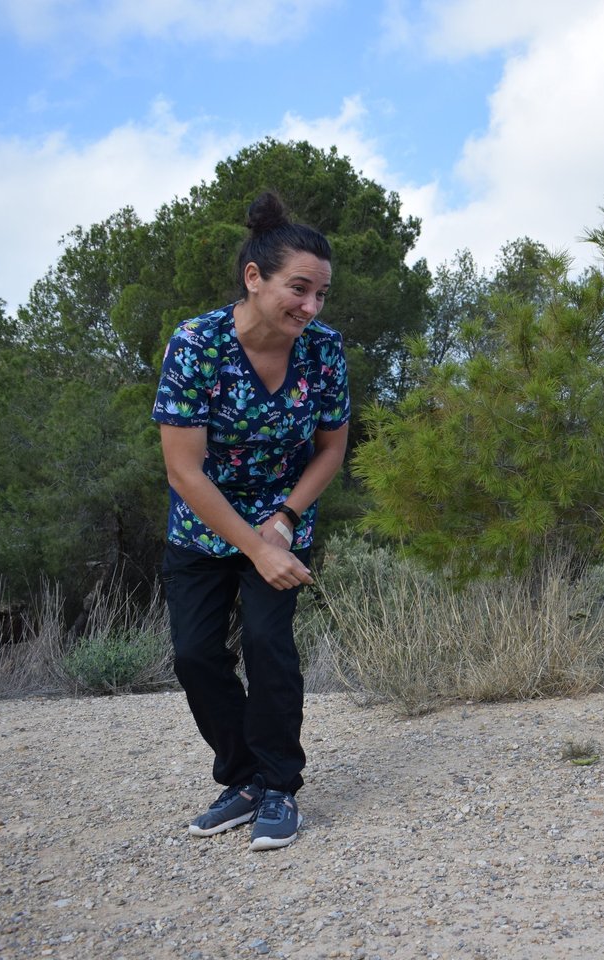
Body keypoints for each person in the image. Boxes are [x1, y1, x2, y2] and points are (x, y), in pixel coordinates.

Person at [152, 191, 349, 852]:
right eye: (300, 289)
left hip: (282, 522)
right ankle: (243, 780)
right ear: (254, 278)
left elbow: (331, 448)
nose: (311, 307)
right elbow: (185, 471)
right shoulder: (196, 344)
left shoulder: (323, 350)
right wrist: (252, 545)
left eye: (321, 294)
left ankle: (279, 786)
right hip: (204, 524)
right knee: (195, 655)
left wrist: (286, 521)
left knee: (269, 646)